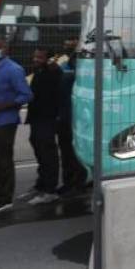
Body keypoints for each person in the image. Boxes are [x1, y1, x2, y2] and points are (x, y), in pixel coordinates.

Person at [0, 37, 33, 213]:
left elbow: (26, 95)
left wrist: (3, 106)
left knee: (3, 160)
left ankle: (5, 197)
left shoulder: (13, 69)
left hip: (4, 121)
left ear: (6, 49)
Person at [23, 48, 64, 205]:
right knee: (39, 150)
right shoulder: (39, 71)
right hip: (36, 118)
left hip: (47, 118)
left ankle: (49, 190)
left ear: (48, 58)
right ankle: (41, 185)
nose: (35, 59)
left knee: (47, 154)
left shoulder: (53, 72)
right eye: (35, 56)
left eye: (40, 57)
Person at [56, 37, 87, 195]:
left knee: (74, 153)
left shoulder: (75, 72)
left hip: (75, 118)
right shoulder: (62, 64)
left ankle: (77, 182)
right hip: (65, 117)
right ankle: (70, 181)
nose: (68, 44)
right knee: (67, 152)